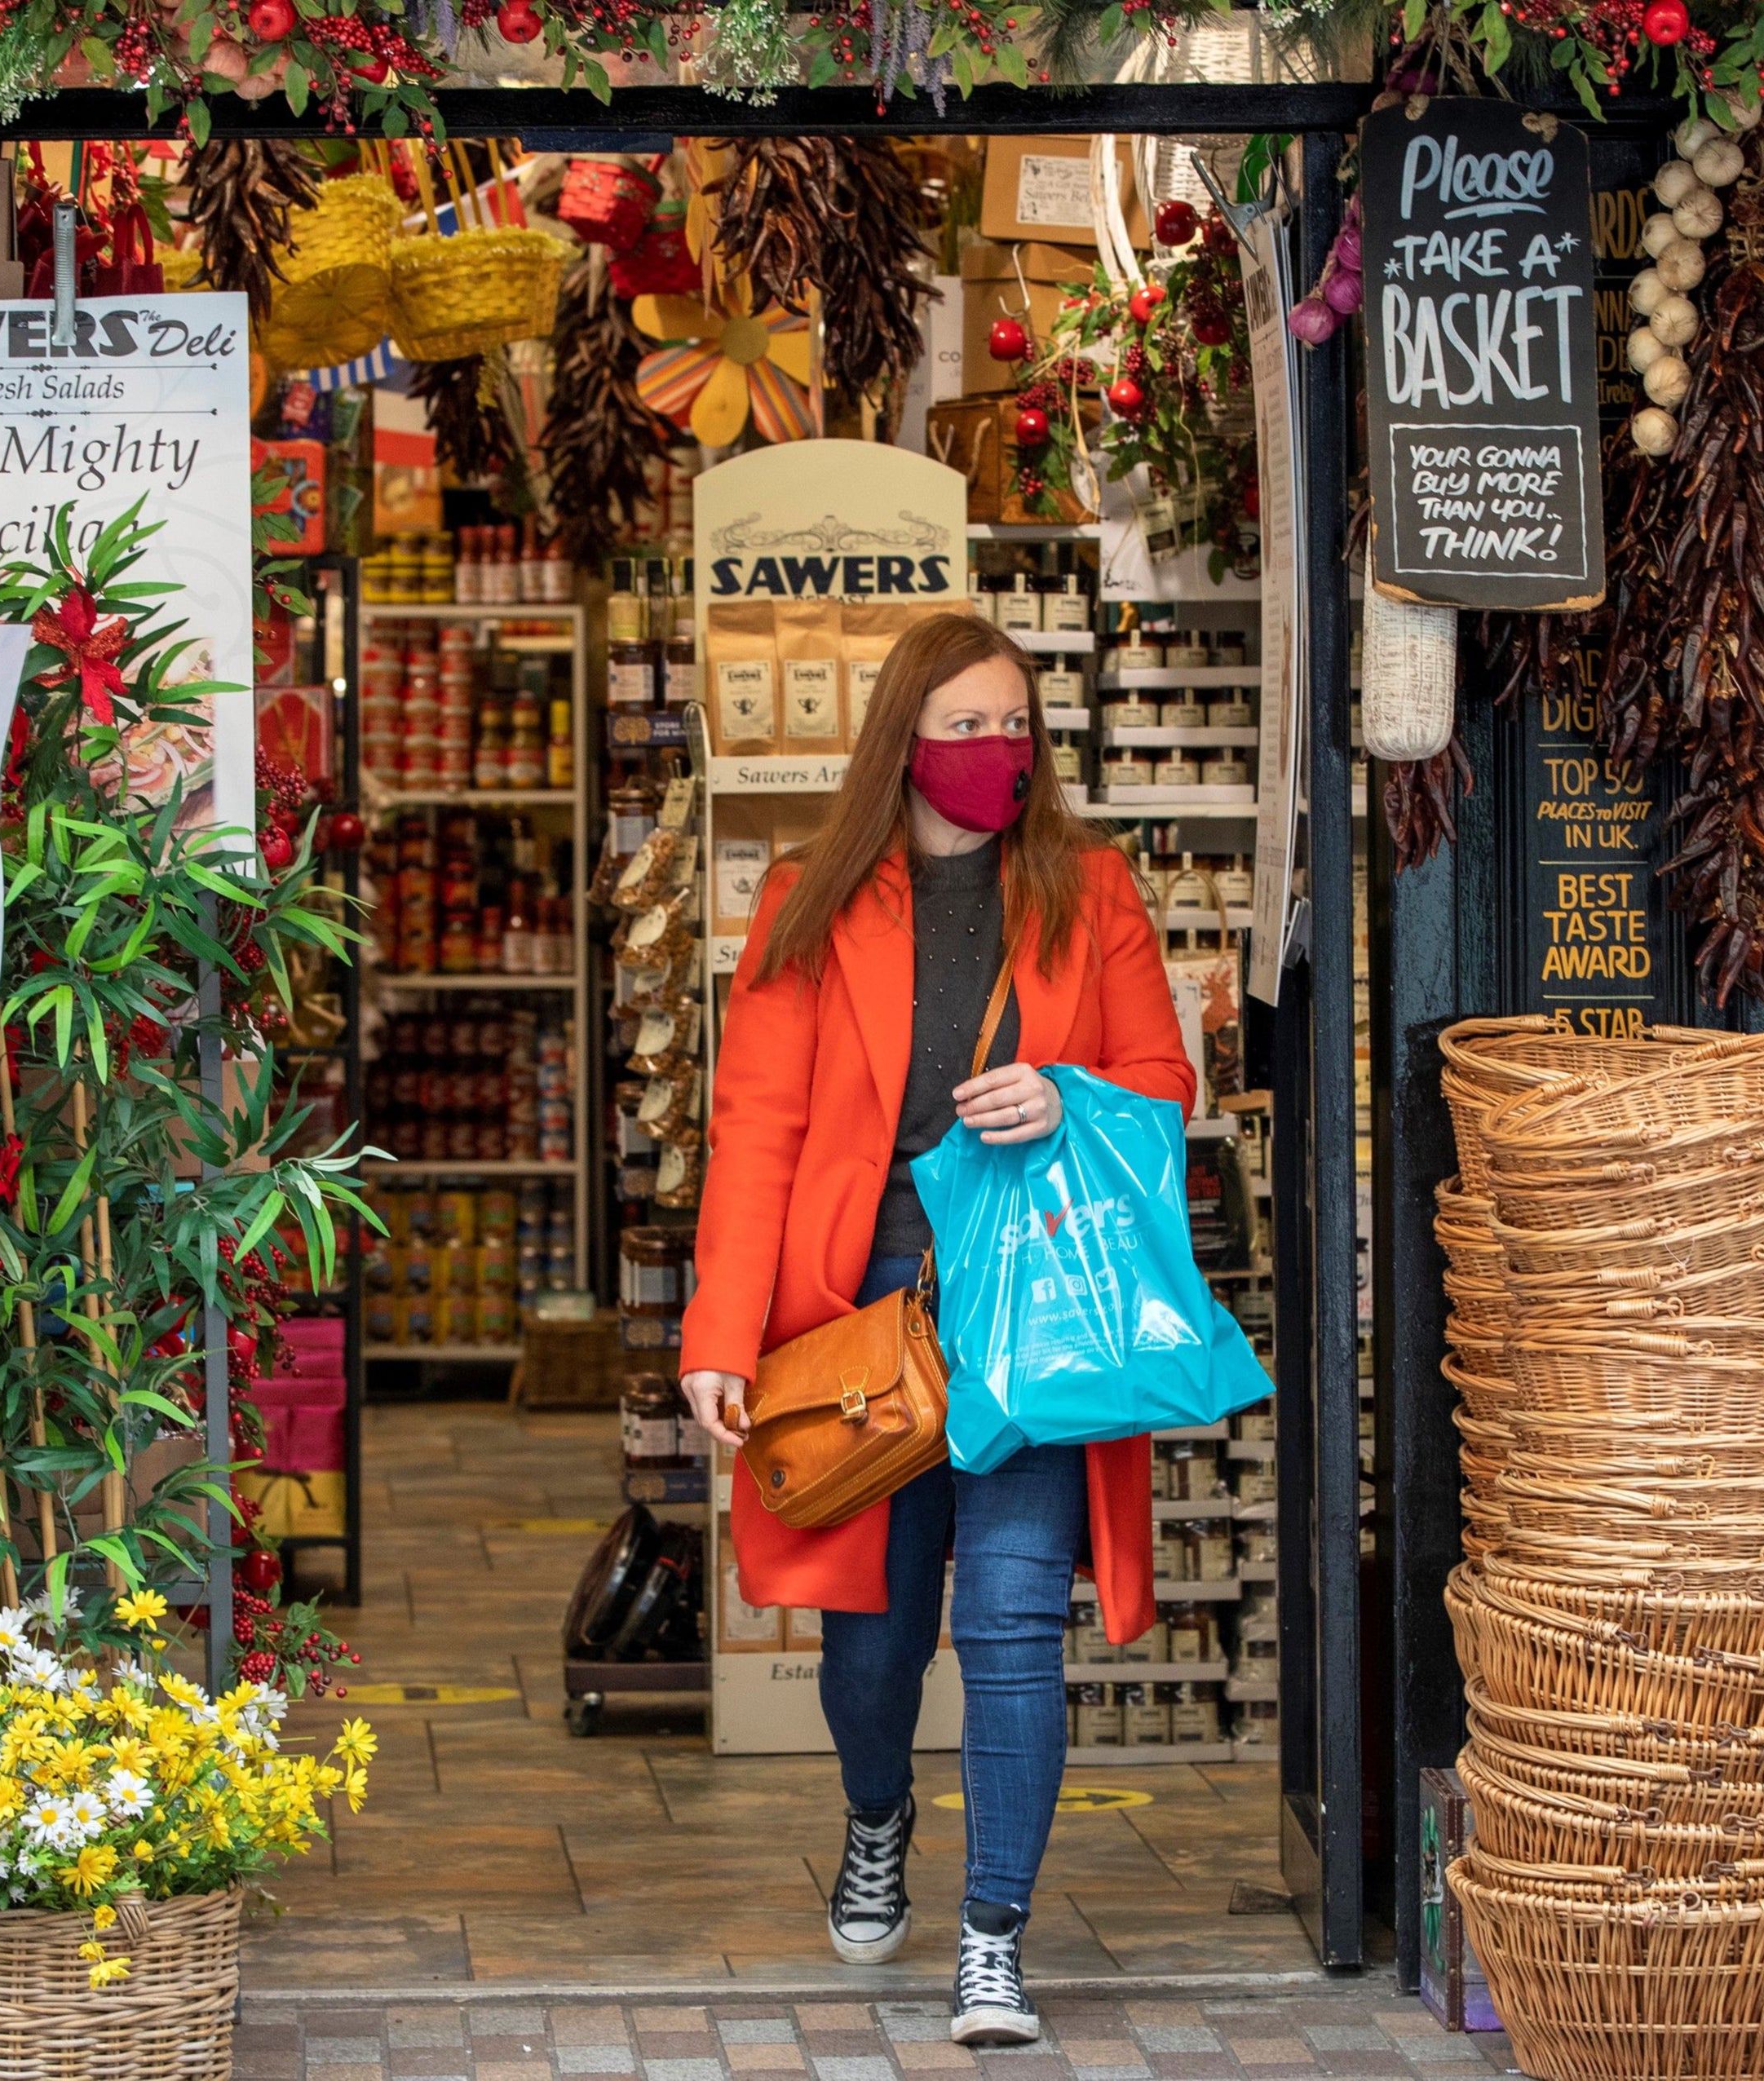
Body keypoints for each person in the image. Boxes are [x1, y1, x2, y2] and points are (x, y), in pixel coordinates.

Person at [678, 611, 1192, 2044]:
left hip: (1033, 1324)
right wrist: (720, 1334)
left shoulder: (1088, 889)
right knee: (872, 1651)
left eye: (1014, 726)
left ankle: (993, 1940)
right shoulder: (810, 897)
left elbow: (1163, 1079)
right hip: (864, 1336)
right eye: (963, 728)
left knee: (1018, 1629)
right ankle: (875, 1812)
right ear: (903, 741)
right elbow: (756, 1131)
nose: (995, 753)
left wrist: (1072, 1097)